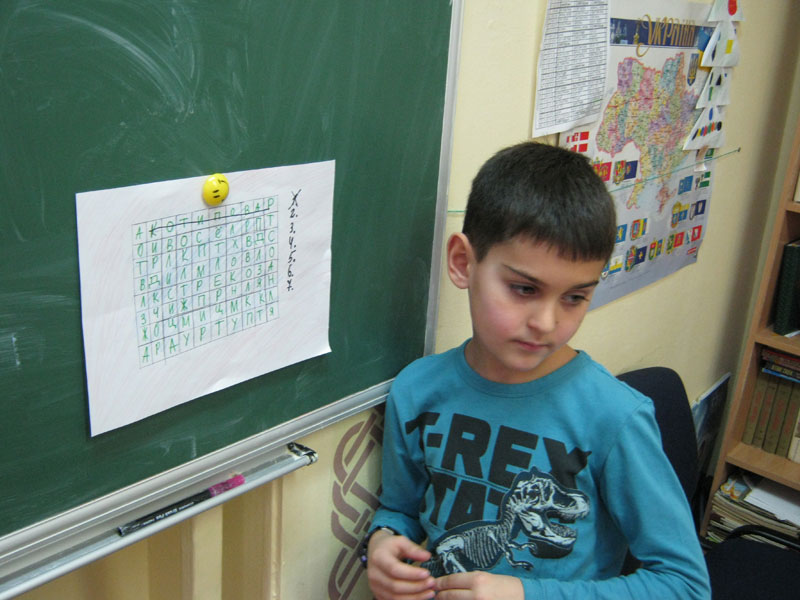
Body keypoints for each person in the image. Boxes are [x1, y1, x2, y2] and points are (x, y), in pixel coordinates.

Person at [362, 142, 711, 600]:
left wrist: (526, 595)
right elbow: (401, 509)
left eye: (575, 297)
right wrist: (384, 540)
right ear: (464, 263)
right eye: (524, 289)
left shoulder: (615, 417)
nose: (546, 323)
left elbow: (685, 586)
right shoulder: (416, 389)